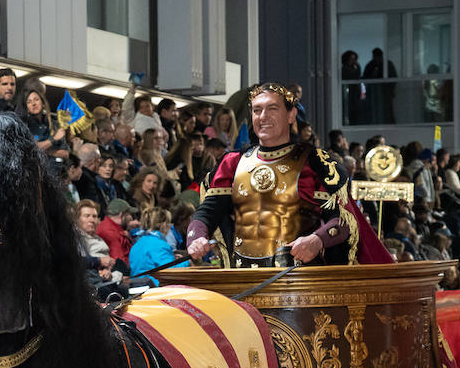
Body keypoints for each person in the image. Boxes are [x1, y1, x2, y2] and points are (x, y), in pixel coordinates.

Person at [186, 81, 391, 268]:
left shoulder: (315, 161)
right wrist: (197, 237)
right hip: (242, 276)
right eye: (257, 110)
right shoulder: (232, 162)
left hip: (299, 279)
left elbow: (344, 219)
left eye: (272, 109)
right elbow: (207, 212)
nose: (263, 116)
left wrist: (317, 239)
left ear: (291, 115)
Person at [97, 198, 135, 266]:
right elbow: (120, 263)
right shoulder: (110, 233)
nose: (130, 217)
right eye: (128, 214)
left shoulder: (114, 227)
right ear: (121, 214)